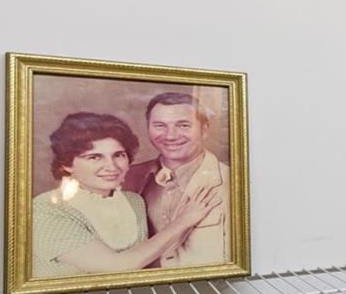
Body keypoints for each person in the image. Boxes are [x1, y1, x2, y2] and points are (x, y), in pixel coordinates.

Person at [32, 112, 222, 279]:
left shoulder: (134, 201)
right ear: (67, 164)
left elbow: (147, 259)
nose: (111, 167)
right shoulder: (45, 210)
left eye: (119, 155)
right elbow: (116, 267)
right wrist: (184, 220)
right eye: (94, 157)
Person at [123, 91, 230, 268]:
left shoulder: (232, 182)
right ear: (148, 128)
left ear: (204, 130)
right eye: (160, 125)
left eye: (183, 125)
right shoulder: (126, 178)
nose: (170, 136)